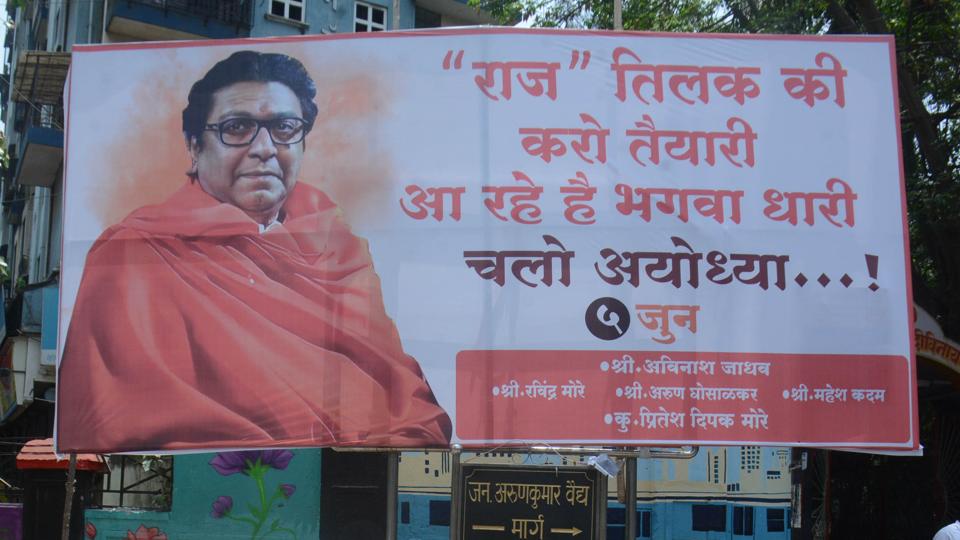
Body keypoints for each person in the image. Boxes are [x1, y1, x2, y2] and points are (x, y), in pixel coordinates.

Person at [56, 51, 451, 452]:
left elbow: (408, 401)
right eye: (238, 127)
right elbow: (122, 415)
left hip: (355, 488)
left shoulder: (339, 251)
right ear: (194, 148)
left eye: (283, 127)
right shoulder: (135, 254)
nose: (264, 148)